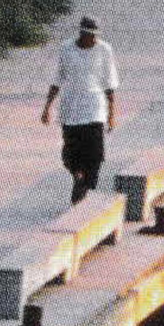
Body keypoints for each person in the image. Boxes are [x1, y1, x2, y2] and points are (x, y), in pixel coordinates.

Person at [41, 15, 118, 204]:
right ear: (81, 33)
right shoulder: (67, 49)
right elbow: (58, 79)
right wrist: (47, 106)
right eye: (88, 35)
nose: (92, 39)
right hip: (71, 109)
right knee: (71, 154)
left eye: (94, 36)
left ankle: (86, 192)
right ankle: (78, 176)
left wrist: (111, 113)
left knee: (96, 154)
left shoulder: (104, 50)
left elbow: (109, 83)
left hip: (94, 108)